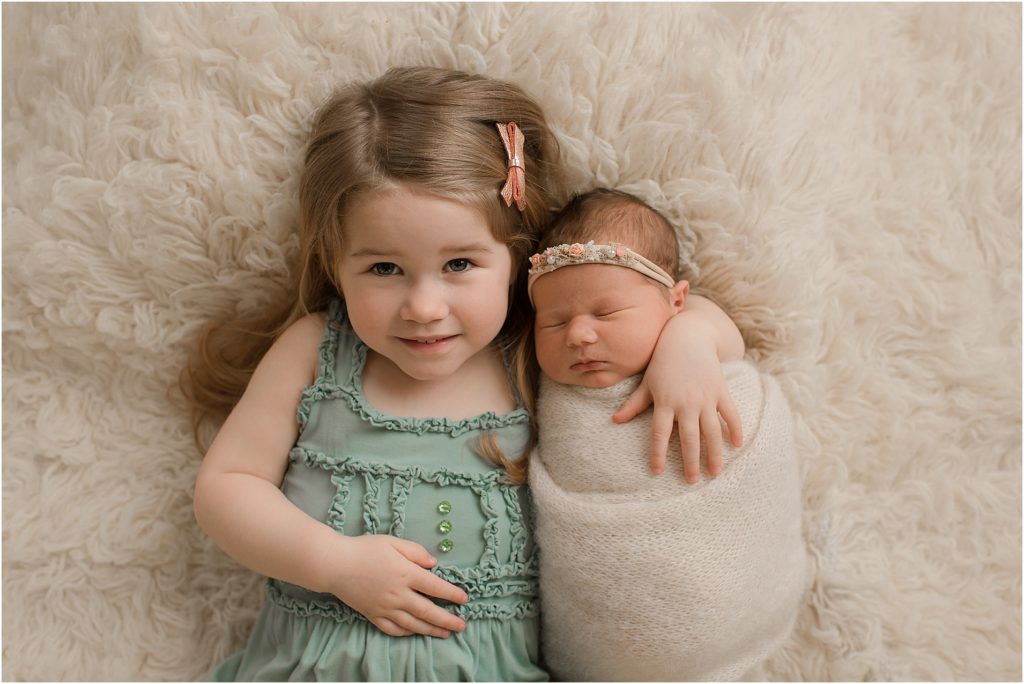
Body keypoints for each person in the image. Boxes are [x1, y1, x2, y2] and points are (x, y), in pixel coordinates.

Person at [181, 68, 745, 682]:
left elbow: (668, 313)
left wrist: (688, 343)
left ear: (515, 256)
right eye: (384, 269)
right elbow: (226, 487)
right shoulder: (320, 349)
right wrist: (334, 564)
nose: (424, 306)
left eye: (458, 263)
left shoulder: (540, 348)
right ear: (334, 262)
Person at [527, 188, 809, 681]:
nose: (578, 335)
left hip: (726, 594)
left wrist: (689, 340)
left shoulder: (689, 333)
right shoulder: (549, 382)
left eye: (606, 313)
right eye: (554, 322)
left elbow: (725, 335)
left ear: (674, 301)